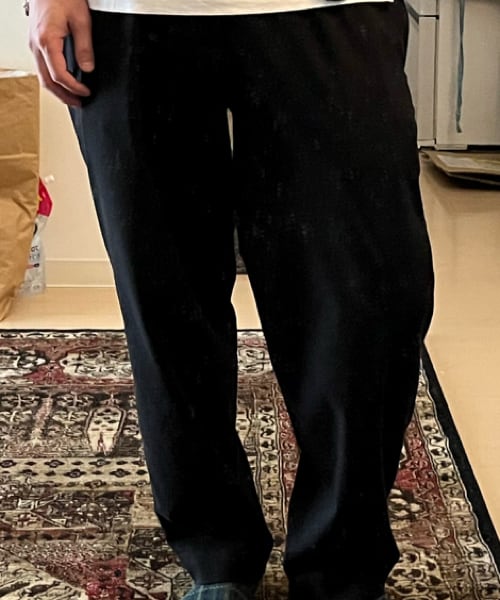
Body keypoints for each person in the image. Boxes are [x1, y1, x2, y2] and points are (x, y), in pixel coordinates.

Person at [27, 0, 435, 597]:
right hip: (129, 14)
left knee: (366, 305)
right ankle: (215, 551)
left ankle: (343, 564)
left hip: (335, 9)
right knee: (165, 301)